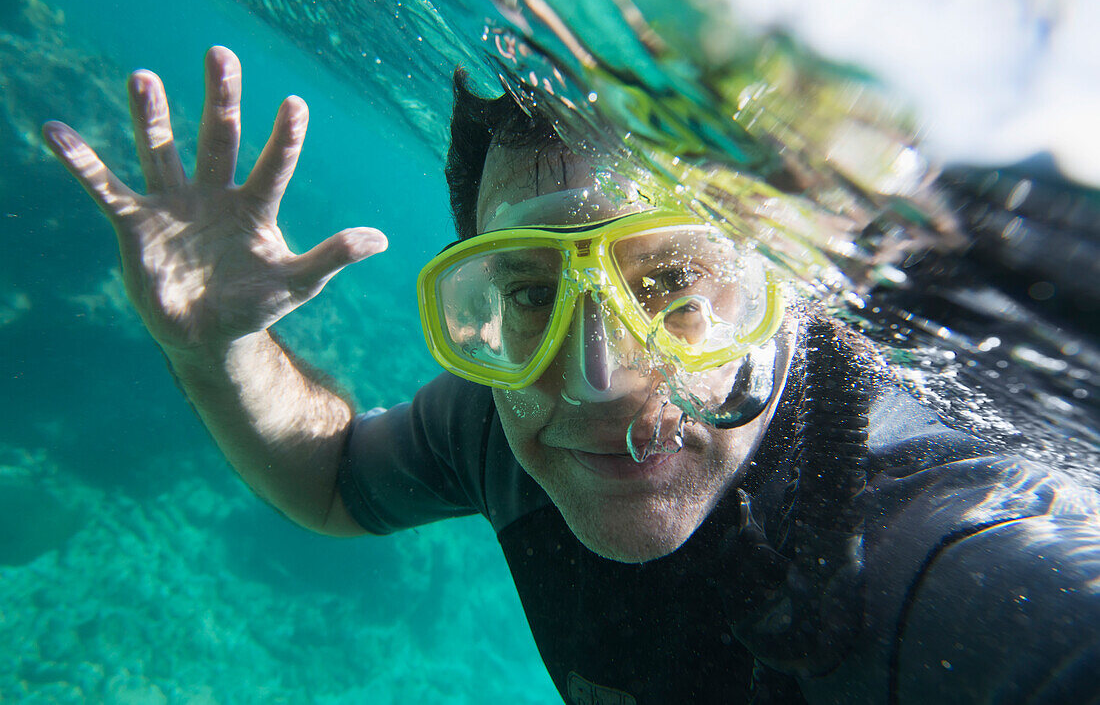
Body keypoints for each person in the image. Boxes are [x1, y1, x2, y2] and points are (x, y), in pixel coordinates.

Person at [44, 46, 1100, 704]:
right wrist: (212, 344)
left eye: (673, 280)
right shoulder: (507, 412)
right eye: (532, 291)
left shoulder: (938, 544)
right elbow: (330, 480)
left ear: (783, 285)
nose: (594, 382)